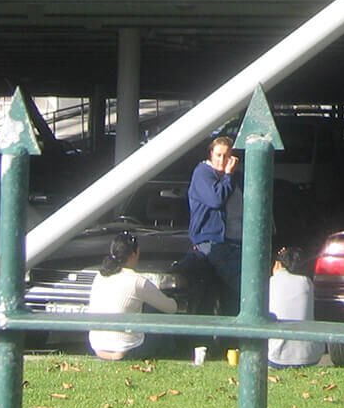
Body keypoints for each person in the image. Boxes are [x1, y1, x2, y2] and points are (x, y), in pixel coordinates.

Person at [87, 230, 180, 361]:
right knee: (155, 311)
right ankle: (176, 353)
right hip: (129, 348)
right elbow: (171, 308)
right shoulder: (137, 281)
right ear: (134, 254)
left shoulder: (99, 276)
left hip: (97, 345)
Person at [189, 135, 242, 300]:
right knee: (239, 285)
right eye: (218, 155)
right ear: (210, 154)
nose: (222, 160)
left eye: (226, 156)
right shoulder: (202, 173)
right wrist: (228, 176)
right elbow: (216, 199)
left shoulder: (233, 177)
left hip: (233, 241)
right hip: (211, 241)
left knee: (229, 294)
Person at [267, 246, 323, 367]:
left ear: (278, 264)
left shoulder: (272, 283)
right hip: (310, 356)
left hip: (276, 357)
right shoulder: (307, 283)